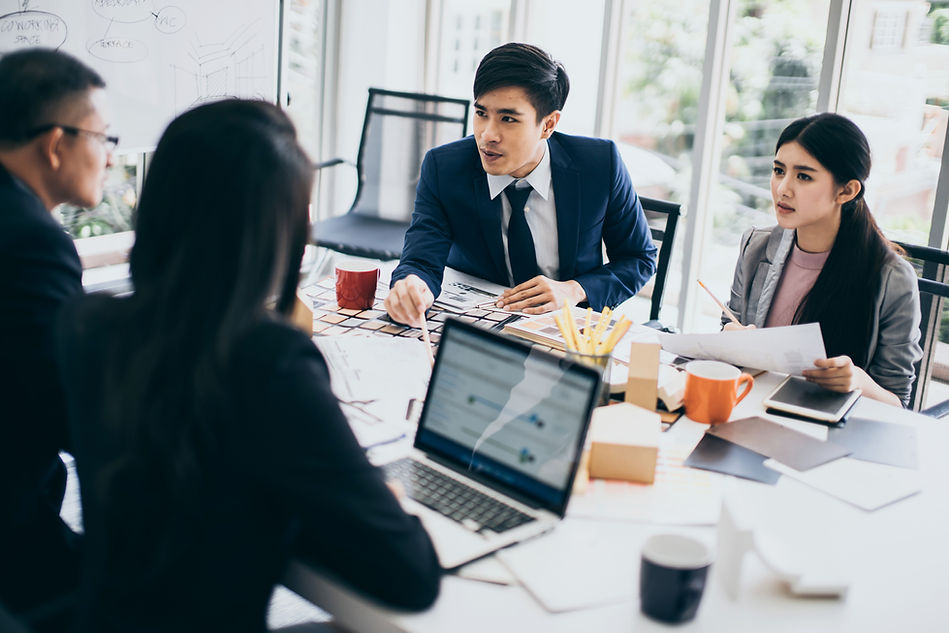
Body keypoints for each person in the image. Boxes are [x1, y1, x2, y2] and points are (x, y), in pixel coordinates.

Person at [56, 100, 440, 633]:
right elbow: (411, 573)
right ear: (273, 228)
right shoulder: (269, 360)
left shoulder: (87, 325)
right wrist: (382, 503)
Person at [385, 42, 657, 327]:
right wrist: (412, 286)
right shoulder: (444, 168)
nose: (487, 135)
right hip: (479, 328)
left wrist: (574, 289)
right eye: (481, 114)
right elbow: (421, 261)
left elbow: (638, 258)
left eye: (508, 119)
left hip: (564, 330)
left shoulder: (600, 165)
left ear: (548, 125)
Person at [0, 48, 114, 628]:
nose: (110, 157)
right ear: (54, 144)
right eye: (102, 138)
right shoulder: (30, 240)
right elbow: (72, 406)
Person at [724, 112, 921, 407]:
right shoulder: (756, 246)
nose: (783, 188)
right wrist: (730, 336)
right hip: (752, 407)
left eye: (803, 176)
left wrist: (858, 381)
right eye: (779, 170)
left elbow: (899, 403)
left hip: (832, 426)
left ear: (846, 191)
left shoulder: (892, 278)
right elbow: (730, 326)